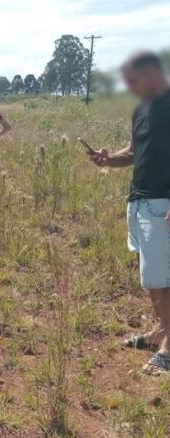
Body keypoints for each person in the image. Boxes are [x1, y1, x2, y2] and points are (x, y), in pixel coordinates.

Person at [87, 51, 170, 375]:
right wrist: (109, 159)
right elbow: (133, 152)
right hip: (137, 201)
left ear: (152, 72)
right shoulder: (141, 109)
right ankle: (160, 331)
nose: (131, 88)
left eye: (134, 80)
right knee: (149, 274)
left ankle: (168, 347)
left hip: (162, 202)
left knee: (163, 276)